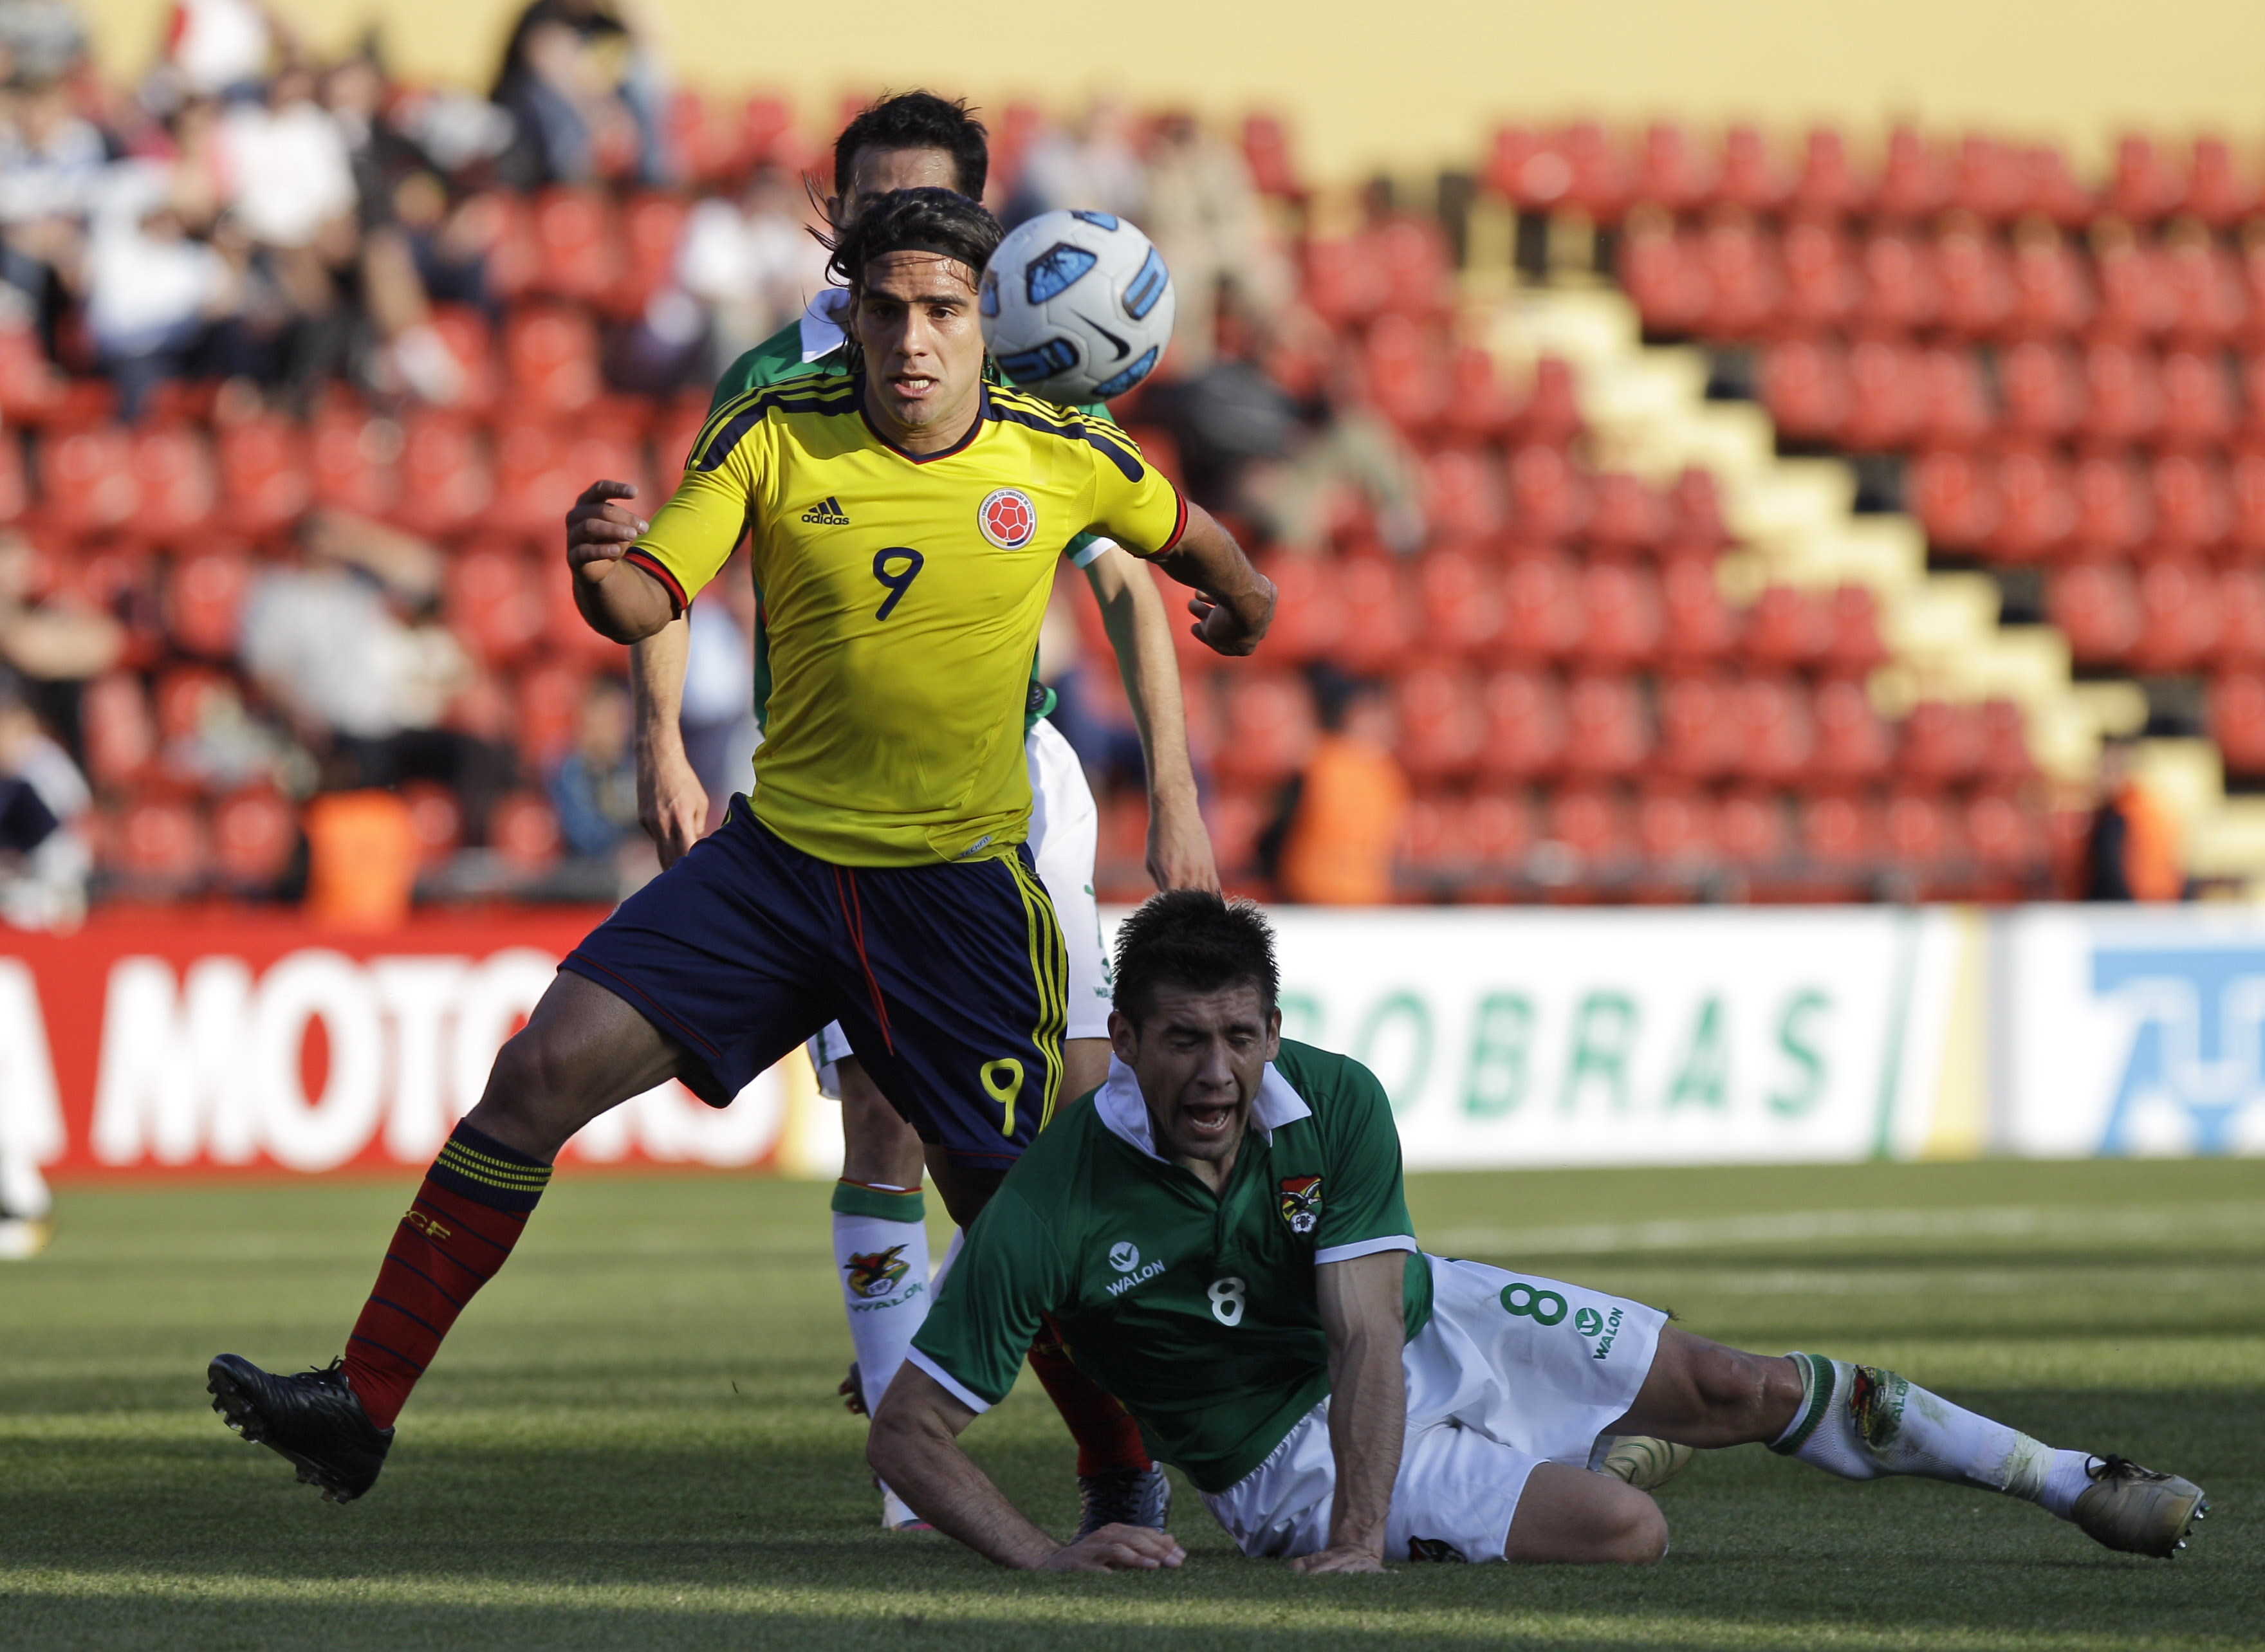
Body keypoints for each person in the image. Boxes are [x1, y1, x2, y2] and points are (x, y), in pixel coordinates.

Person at [205, 185, 1275, 1512]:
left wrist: (1241, 602)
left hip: (954, 898)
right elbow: (651, 591)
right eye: (884, 311)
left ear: (983, 321)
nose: (911, 341)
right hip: (773, 874)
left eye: (940, 311)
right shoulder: (774, 433)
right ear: (856, 314)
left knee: (1008, 1213)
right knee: (535, 1074)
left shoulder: (1062, 454)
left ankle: (1121, 1476)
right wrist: (597, 567)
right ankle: (359, 1403)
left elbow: (1191, 543)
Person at [868, 889, 2210, 1572]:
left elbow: (1367, 1335)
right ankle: (1591, 1459)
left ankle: (2066, 1478)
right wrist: (1045, 1554)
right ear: (1128, 1053)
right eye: (1179, 1043)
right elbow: (909, 1432)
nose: (1214, 1073)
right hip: (1273, 1457)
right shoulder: (1054, 1198)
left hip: (1419, 1321)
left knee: (1739, 1382)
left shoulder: (1331, 1100)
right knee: (1625, 1532)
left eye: (1237, 1037)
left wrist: (1363, 1534)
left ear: (1271, 1032)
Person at [629, 91, 1217, 1534]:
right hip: (833, 802)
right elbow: (670, 556)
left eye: (930, 212)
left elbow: (1135, 578)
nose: (900, 241)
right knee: (883, 1115)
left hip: (1012, 789)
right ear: (834, 226)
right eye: (872, 209)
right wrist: (659, 739)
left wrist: (1177, 795)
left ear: (978, 231)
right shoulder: (769, 378)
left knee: (1081, 1110)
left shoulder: (1018, 360)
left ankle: (1044, 1373)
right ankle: (912, 1465)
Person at [2084, 737, 2183, 902]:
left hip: (2136, 912)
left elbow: (2116, 880)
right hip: (2154, 909)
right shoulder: (2153, 808)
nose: (2100, 776)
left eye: (2107, 769)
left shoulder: (2122, 817)